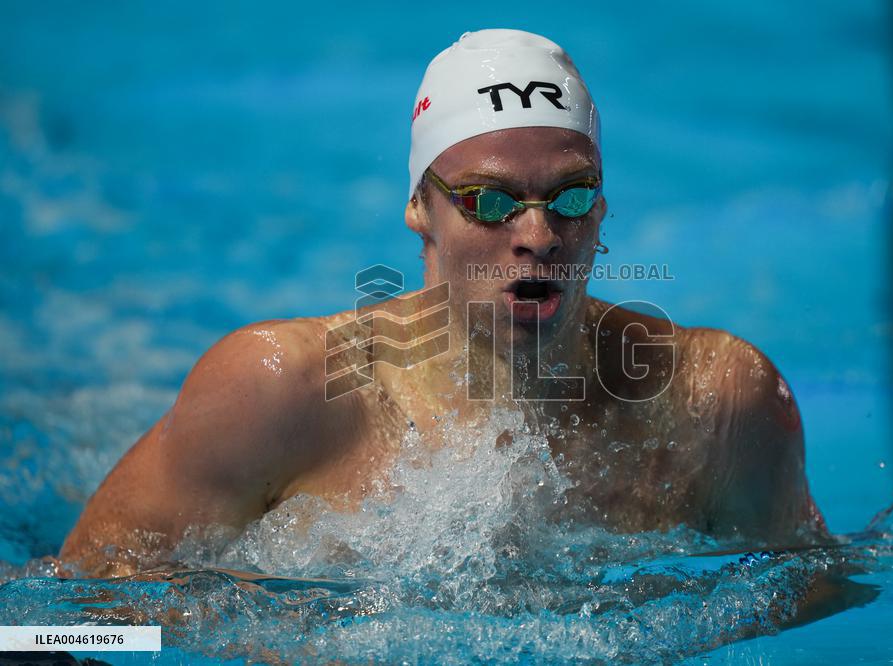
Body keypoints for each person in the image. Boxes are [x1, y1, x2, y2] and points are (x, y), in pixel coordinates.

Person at [60, 29, 826, 578]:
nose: (537, 235)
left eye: (571, 195)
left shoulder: (715, 406)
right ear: (420, 209)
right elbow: (60, 627)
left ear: (602, 208)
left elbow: (813, 602)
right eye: (489, 201)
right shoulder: (282, 392)